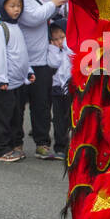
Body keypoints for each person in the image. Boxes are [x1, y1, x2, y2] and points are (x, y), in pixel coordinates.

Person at [0, 0, 65, 159]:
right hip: (21, 59)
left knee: (42, 104)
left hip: (41, 56)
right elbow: (32, 16)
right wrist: (54, 4)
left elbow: (40, 4)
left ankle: (42, 143)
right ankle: (16, 143)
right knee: (18, 104)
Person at [0, 0, 32, 162]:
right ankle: (0, 149)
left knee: (14, 117)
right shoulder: (0, 28)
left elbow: (22, 54)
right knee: (1, 118)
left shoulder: (16, 27)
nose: (17, 9)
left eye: (19, 6)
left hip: (17, 83)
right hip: (3, 84)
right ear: (2, 6)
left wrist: (29, 72)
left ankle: (12, 145)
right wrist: (1, 78)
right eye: (12, 6)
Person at [45, 22, 73, 162]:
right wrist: (54, 49)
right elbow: (53, 63)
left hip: (70, 88)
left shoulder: (71, 49)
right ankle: (60, 148)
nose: (59, 41)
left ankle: (73, 147)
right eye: (55, 39)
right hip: (57, 89)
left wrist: (66, 47)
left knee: (72, 119)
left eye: (62, 37)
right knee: (58, 120)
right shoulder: (53, 50)